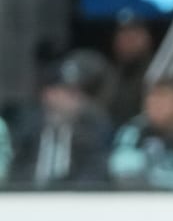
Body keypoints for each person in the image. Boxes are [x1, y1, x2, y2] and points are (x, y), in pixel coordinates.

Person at [9, 58, 113, 187]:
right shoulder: (28, 129)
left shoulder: (92, 130)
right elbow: (15, 169)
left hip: (73, 201)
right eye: (68, 92)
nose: (76, 98)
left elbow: (95, 171)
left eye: (78, 92)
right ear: (48, 94)